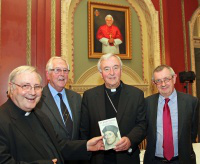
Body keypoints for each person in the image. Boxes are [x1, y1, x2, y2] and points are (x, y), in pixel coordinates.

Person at [0, 65, 104, 163]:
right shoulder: (3, 119)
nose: (32, 92)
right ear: (11, 87)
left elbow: (58, 145)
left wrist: (86, 146)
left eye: (37, 87)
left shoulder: (40, 116)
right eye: (25, 86)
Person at [80, 53, 146, 164]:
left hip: (127, 158)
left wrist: (130, 140)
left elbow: (142, 124)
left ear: (121, 70)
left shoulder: (136, 94)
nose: (112, 73)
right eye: (106, 69)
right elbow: (83, 130)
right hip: (98, 158)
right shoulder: (89, 96)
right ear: (101, 74)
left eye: (115, 68)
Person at [144, 65, 199, 164]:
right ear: (154, 83)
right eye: (159, 81)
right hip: (154, 161)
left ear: (174, 78)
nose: (163, 84)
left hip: (182, 160)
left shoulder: (191, 102)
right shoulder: (147, 103)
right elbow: (142, 128)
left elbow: (193, 132)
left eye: (166, 79)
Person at [37, 56, 81, 141]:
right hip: (51, 153)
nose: (62, 74)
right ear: (48, 75)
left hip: (76, 152)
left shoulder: (76, 97)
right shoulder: (38, 99)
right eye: (57, 70)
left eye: (65, 70)